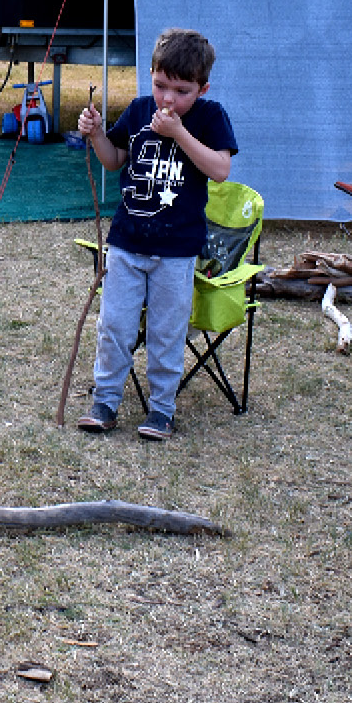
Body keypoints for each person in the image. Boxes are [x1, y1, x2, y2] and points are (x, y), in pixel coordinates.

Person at [73, 28, 239, 442]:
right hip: (127, 242)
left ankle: (162, 409)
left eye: (181, 91)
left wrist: (179, 133)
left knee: (167, 331)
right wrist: (95, 134)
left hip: (176, 250)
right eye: (160, 85)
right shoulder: (138, 109)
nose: (168, 99)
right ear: (150, 75)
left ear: (202, 88)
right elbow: (113, 162)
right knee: (114, 325)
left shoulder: (209, 117)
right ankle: (105, 402)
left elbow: (219, 169)